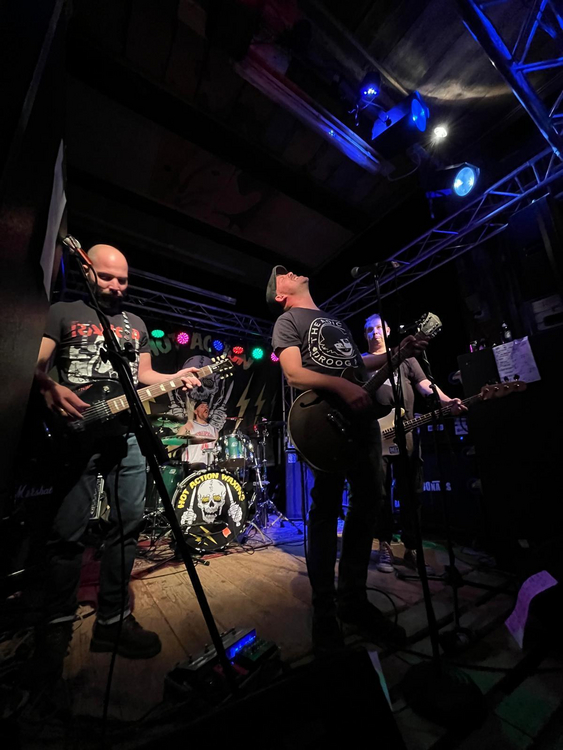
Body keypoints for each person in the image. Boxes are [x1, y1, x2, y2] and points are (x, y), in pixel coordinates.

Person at [32, 244, 200, 676]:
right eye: (107, 277)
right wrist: (48, 386)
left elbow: (143, 377)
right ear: (88, 270)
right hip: (75, 432)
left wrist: (175, 377)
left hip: (126, 433)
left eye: (123, 279)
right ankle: (55, 625)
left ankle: (113, 620)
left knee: (127, 526)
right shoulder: (62, 311)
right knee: (67, 532)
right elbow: (35, 365)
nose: (115, 286)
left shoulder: (134, 324)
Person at [267, 266, 426, 655]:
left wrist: (396, 354)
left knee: (370, 500)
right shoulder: (288, 321)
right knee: (325, 507)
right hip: (324, 421)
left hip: (362, 420)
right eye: (282, 275)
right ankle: (324, 611)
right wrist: (341, 385)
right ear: (280, 294)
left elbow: (357, 363)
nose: (291, 271)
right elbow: (294, 374)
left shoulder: (334, 321)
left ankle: (353, 600)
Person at [362, 313, 467, 574]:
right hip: (376, 435)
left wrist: (447, 401)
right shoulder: (363, 361)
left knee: (411, 492)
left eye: (378, 328)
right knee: (379, 493)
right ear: (364, 335)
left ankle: (412, 547)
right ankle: (385, 544)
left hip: (406, 431)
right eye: (369, 330)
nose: (375, 333)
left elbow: (424, 385)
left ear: (387, 331)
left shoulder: (407, 359)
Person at [177, 401, 218, 470]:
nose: (206, 408)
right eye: (202, 407)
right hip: (191, 467)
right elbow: (175, 443)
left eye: (207, 407)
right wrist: (184, 429)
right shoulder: (188, 426)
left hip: (209, 469)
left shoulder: (214, 430)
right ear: (196, 412)